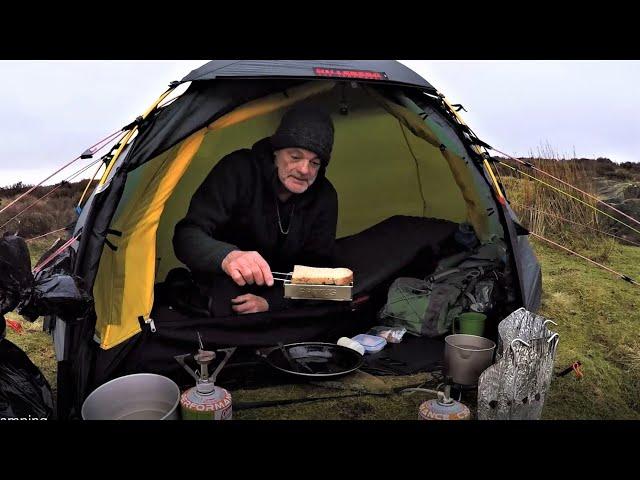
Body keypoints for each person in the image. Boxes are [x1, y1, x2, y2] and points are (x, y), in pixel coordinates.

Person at [172, 105, 338, 316]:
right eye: (295, 157)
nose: (304, 170)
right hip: (225, 281)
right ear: (276, 152)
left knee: (335, 296)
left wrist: (271, 302)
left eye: (314, 163)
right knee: (224, 306)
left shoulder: (325, 196)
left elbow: (320, 271)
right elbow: (185, 237)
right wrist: (228, 256)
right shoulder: (237, 170)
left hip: (282, 292)